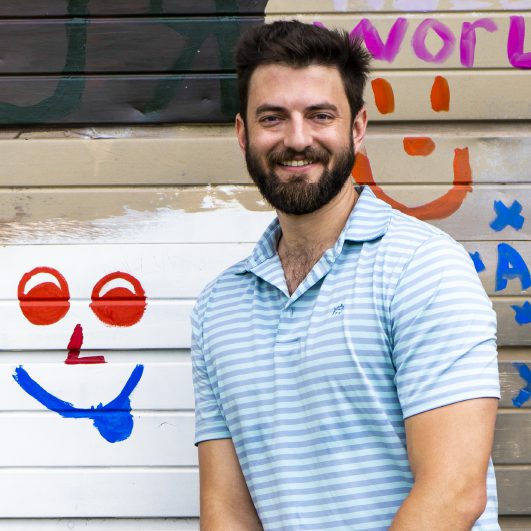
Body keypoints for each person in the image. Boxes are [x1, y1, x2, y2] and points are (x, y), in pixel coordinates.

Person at [191, 20, 500, 530]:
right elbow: (226, 509)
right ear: (243, 133)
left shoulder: (421, 268)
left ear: (356, 127)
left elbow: (453, 493)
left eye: (320, 115)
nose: (297, 139)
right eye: (273, 117)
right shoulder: (218, 307)